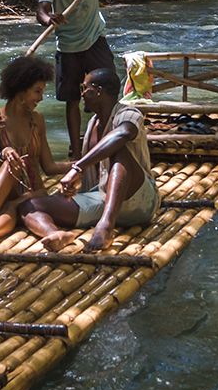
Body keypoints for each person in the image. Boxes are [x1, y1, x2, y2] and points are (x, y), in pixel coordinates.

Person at [15, 68, 158, 254]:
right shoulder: (92, 124)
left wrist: (78, 167)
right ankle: (56, 235)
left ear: (98, 91)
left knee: (119, 150)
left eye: (85, 88)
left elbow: (124, 133)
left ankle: (106, 225)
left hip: (139, 200)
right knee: (31, 206)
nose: (81, 94)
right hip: (100, 197)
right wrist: (73, 186)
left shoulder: (129, 113)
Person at [38, 0, 138, 155]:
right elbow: (42, 11)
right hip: (68, 46)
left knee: (109, 90)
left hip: (94, 40)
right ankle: (76, 149)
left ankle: (109, 139)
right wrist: (49, 19)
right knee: (72, 99)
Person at [0, 55, 68, 248]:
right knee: (9, 167)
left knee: (14, 206)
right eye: (37, 91)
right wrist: (5, 152)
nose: (41, 98)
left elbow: (49, 166)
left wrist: (81, 164)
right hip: (7, 192)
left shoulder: (37, 120)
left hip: (34, 194)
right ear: (21, 90)